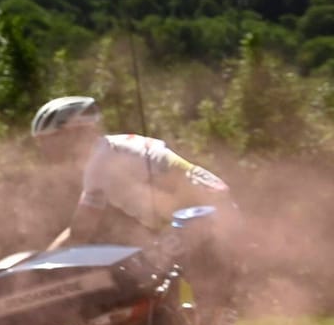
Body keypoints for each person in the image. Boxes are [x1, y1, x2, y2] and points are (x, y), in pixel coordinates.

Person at [30, 95, 235, 249]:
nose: (44, 148)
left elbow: (80, 232)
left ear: (72, 133)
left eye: (49, 139)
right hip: (206, 211)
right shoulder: (106, 152)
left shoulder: (101, 160)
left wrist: (41, 271)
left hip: (206, 214)